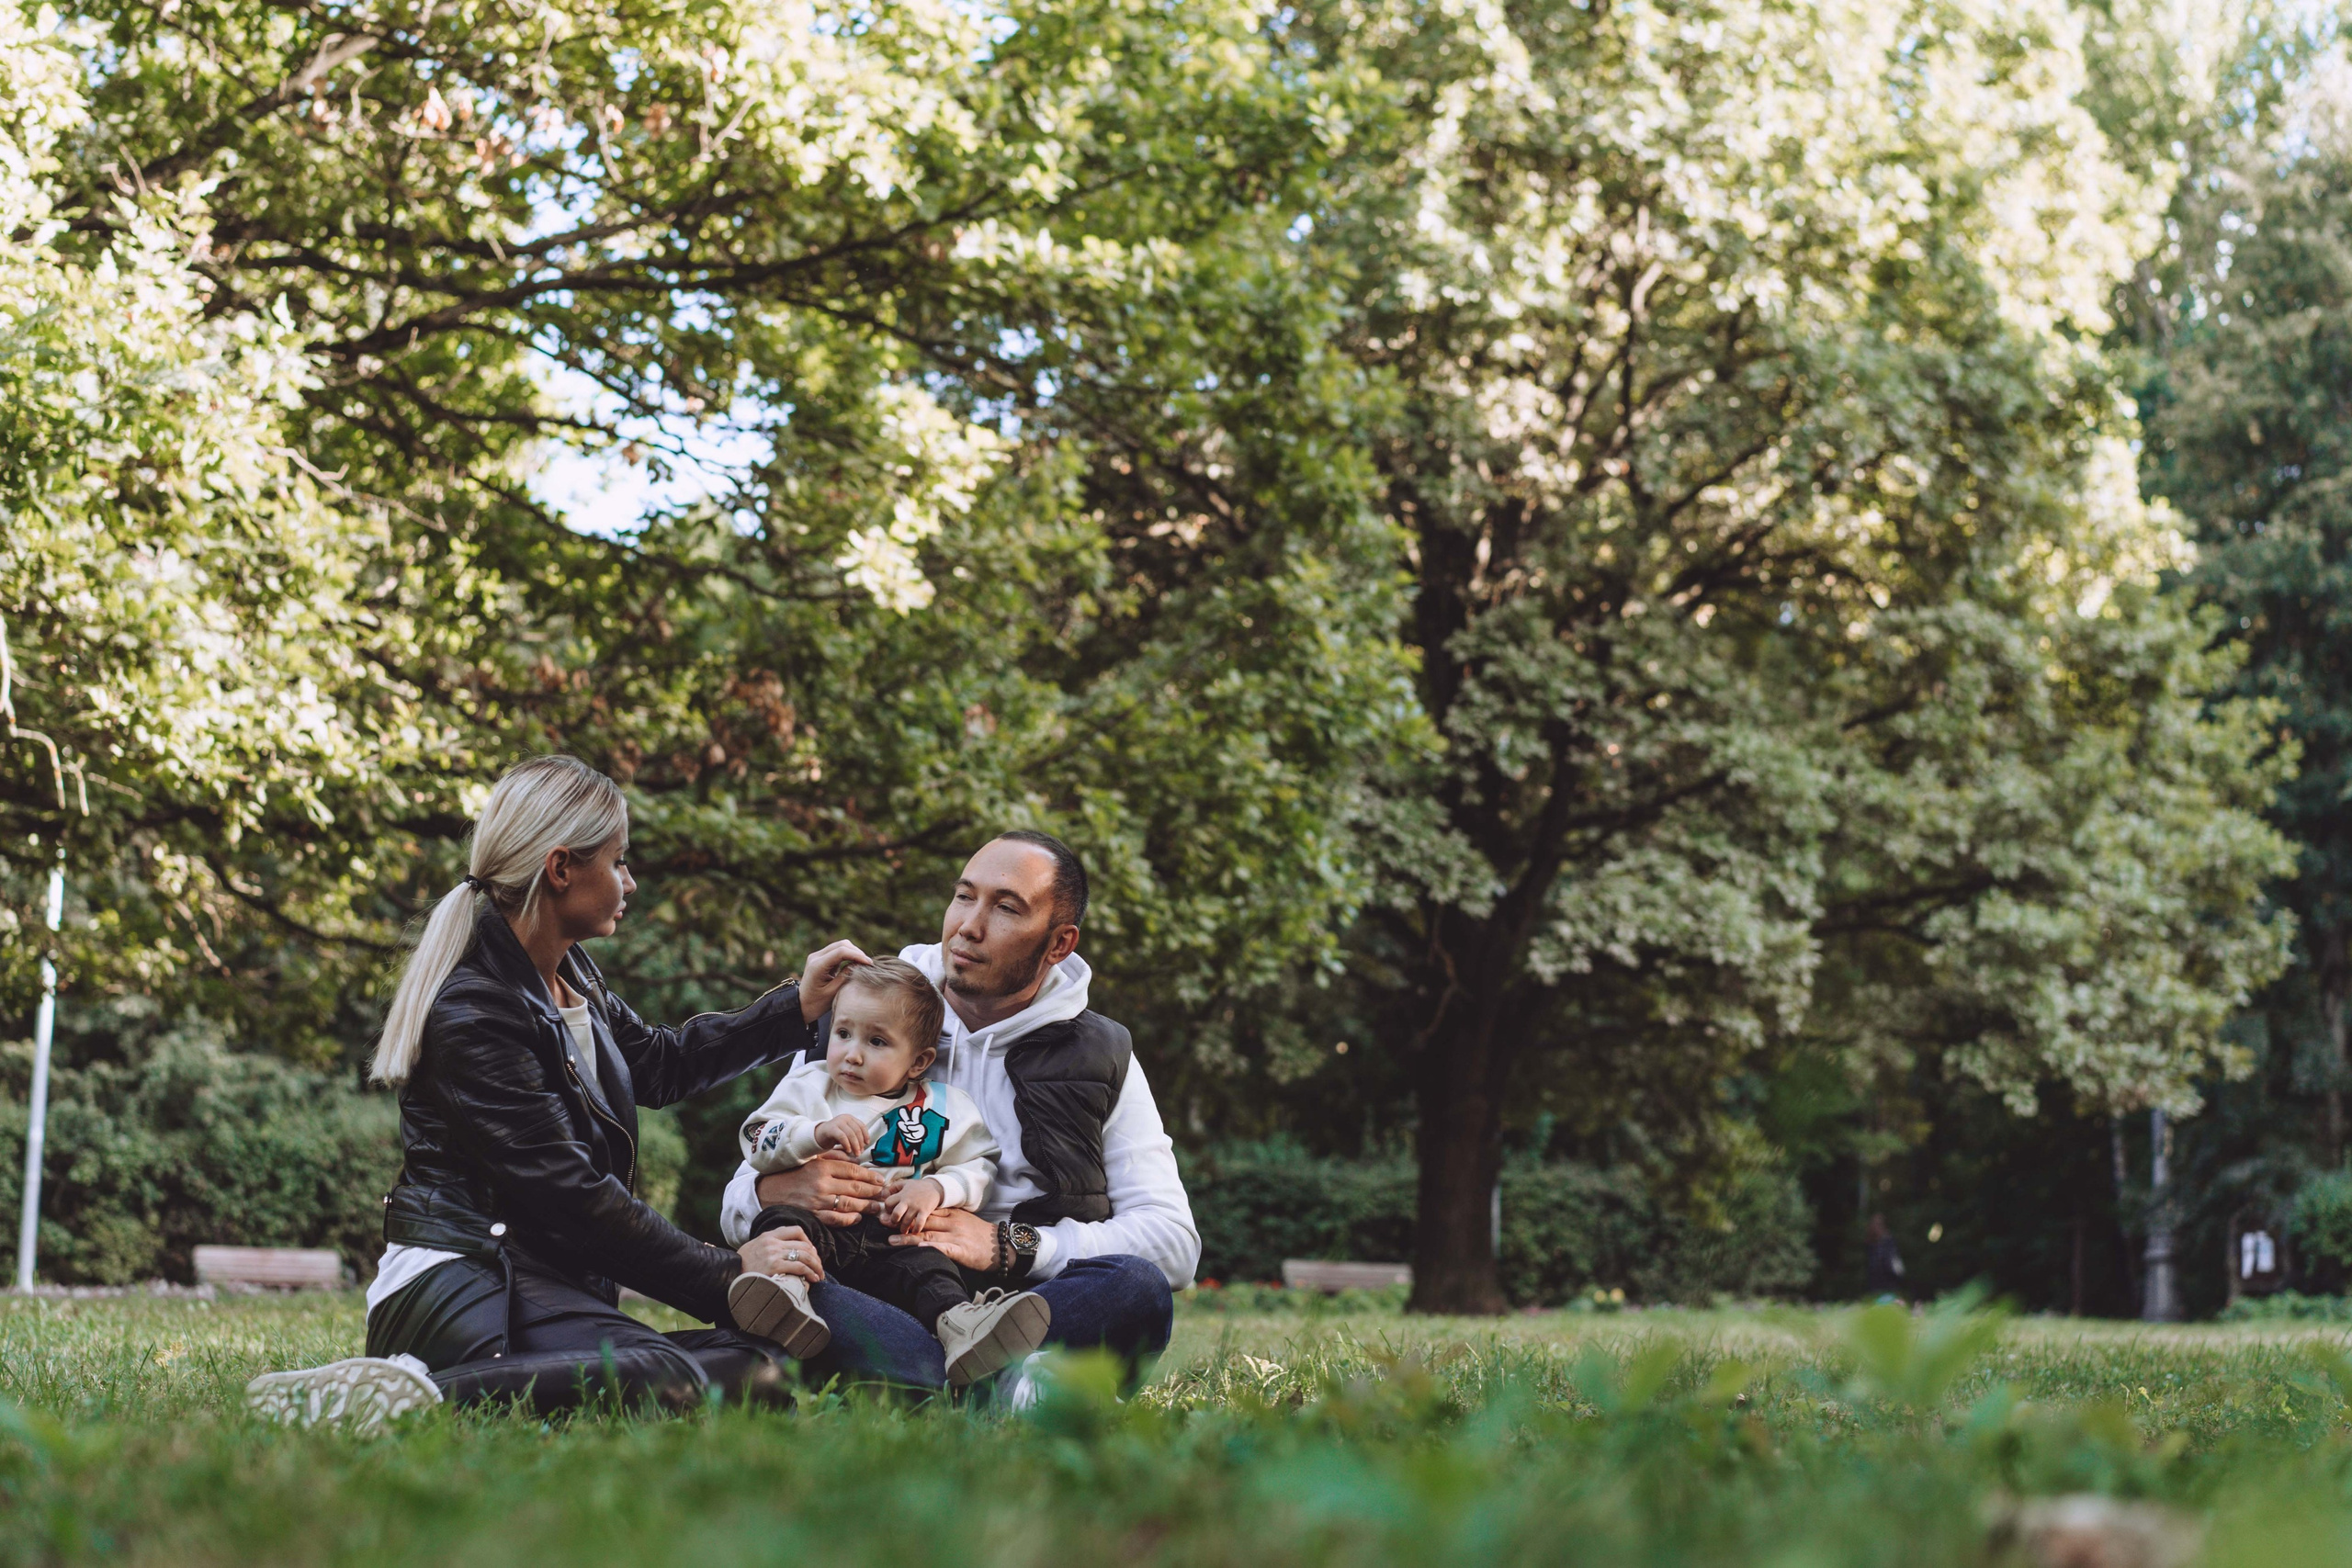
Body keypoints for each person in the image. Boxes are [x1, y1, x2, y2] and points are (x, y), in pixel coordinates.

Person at [245, 755, 933, 1427]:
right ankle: (410, 1395)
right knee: (681, 1380)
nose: (628, 881)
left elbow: (658, 1063)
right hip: (472, 1281)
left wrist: (794, 1008)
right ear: (561, 868)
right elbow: (572, 1195)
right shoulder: (476, 1011)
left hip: (545, 1279)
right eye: (619, 861)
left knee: (759, 1369)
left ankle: (432, 1390)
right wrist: (728, 1272)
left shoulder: (569, 972)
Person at [720, 830, 1197, 1395]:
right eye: (964, 896)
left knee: (1136, 1287)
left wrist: (1009, 1246)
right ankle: (995, 1386)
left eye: (1006, 908)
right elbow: (738, 1198)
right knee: (788, 1280)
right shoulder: (860, 1019)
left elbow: (1174, 1243)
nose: (969, 925)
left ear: (1059, 944)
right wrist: (775, 1192)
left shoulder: (1100, 1054)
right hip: (874, 1282)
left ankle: (932, 1383)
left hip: (1024, 1303)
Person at [729, 955, 1052, 1388]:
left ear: (918, 1062)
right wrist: (813, 1135)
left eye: (877, 1041)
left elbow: (978, 1165)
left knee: (929, 1265)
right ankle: (785, 1290)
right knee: (781, 1221)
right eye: (843, 1033)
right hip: (821, 1231)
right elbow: (757, 1138)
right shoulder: (810, 1085)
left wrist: (935, 1189)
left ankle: (960, 1324)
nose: (852, 1054)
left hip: (892, 1239)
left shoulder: (943, 1107)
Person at [1863, 1213, 1905, 1303]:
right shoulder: (1871, 1243)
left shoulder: (1889, 1242)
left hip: (1889, 1282)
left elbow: (1894, 1262)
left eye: (1878, 1224)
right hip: (1875, 1284)